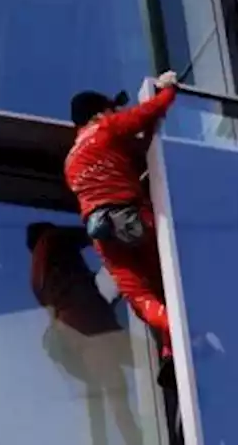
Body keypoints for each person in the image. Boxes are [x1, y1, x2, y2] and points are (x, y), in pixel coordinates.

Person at [64, 72, 179, 371]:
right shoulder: (106, 128)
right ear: (100, 112)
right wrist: (168, 91)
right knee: (165, 281)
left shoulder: (70, 161)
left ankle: (170, 349)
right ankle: (180, 333)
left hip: (104, 236)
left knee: (141, 297)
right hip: (134, 220)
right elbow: (146, 115)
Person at [27, 222, 143, 445]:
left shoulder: (39, 279)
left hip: (84, 333)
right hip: (93, 331)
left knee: (107, 396)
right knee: (118, 391)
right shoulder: (50, 240)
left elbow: (68, 301)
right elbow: (91, 234)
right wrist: (117, 230)